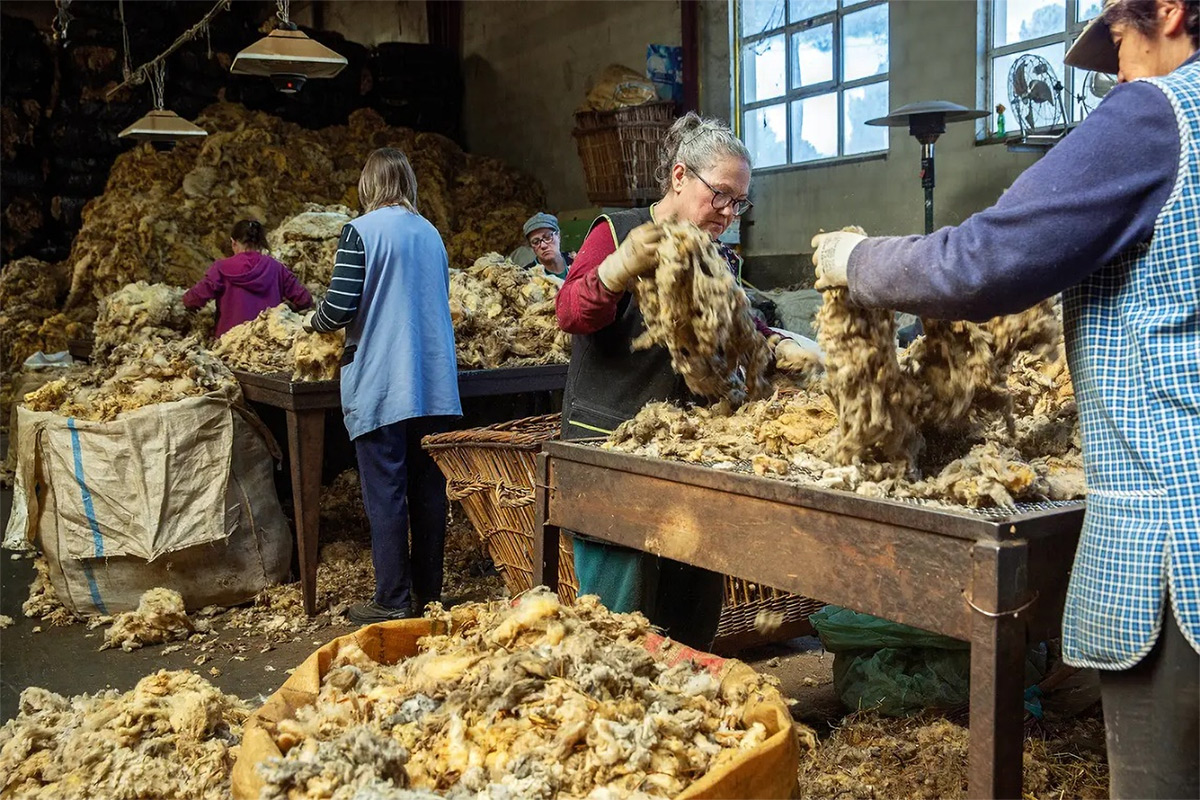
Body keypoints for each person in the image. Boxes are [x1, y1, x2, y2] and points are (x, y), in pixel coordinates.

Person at [811, 1, 1199, 795]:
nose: (1114, 77)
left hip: (1178, 538)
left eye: (1119, 45)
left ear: (1167, 9)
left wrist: (856, 259)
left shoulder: (1157, 115)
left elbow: (979, 263)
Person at [555, 112, 808, 650]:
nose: (728, 212)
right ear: (678, 177)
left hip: (686, 455)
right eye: (719, 195)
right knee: (618, 620)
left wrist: (776, 343)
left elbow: (738, 320)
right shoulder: (616, 231)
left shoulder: (714, 257)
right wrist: (614, 272)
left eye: (739, 202)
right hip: (613, 450)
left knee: (690, 607)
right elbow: (572, 312)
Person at [303, 147, 462, 625]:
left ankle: (391, 599)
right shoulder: (432, 234)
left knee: (387, 491)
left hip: (384, 380)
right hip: (433, 382)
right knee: (429, 491)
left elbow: (339, 308)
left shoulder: (361, 232)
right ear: (408, 183)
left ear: (369, 185)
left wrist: (311, 321)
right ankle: (428, 595)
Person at [182, 219, 312, 337]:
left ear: (233, 242)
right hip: (268, 341)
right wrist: (286, 308)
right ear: (261, 243)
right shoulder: (276, 268)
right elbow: (304, 300)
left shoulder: (221, 268)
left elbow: (193, 300)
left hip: (229, 343)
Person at [522, 212, 574, 279]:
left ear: (558, 236)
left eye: (548, 237)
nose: (543, 246)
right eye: (535, 242)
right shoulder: (527, 276)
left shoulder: (575, 260)